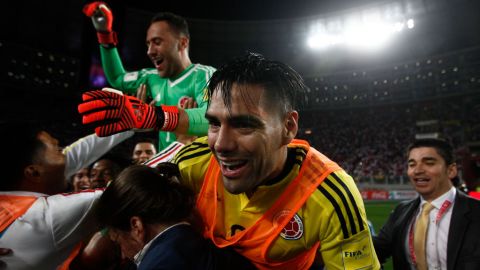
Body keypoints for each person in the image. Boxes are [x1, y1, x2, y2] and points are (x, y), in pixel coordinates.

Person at [79, 52, 380, 269]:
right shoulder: (192, 161)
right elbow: (134, 193)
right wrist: (106, 236)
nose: (221, 144)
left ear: (288, 127)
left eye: (244, 125)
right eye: (214, 124)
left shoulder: (331, 193)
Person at [83, 2, 215, 151]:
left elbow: (213, 118)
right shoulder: (151, 77)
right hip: (165, 168)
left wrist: (156, 116)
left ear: (182, 43)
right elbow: (117, 78)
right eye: (148, 44)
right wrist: (104, 34)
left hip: (195, 169)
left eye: (157, 42)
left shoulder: (204, 75)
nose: (149, 51)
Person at [89, 164, 254, 270]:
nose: (124, 256)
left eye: (118, 243)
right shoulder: (201, 245)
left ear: (136, 226)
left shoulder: (161, 263)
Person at [0, 122, 103, 269]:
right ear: (34, 173)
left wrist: (128, 126)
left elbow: (73, 157)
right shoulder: (45, 215)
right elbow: (130, 187)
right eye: (59, 151)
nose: (66, 157)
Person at [373, 138, 480, 270]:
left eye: (429, 163)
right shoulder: (401, 212)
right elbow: (373, 253)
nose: (417, 170)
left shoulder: (476, 212)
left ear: (451, 170)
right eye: (412, 165)